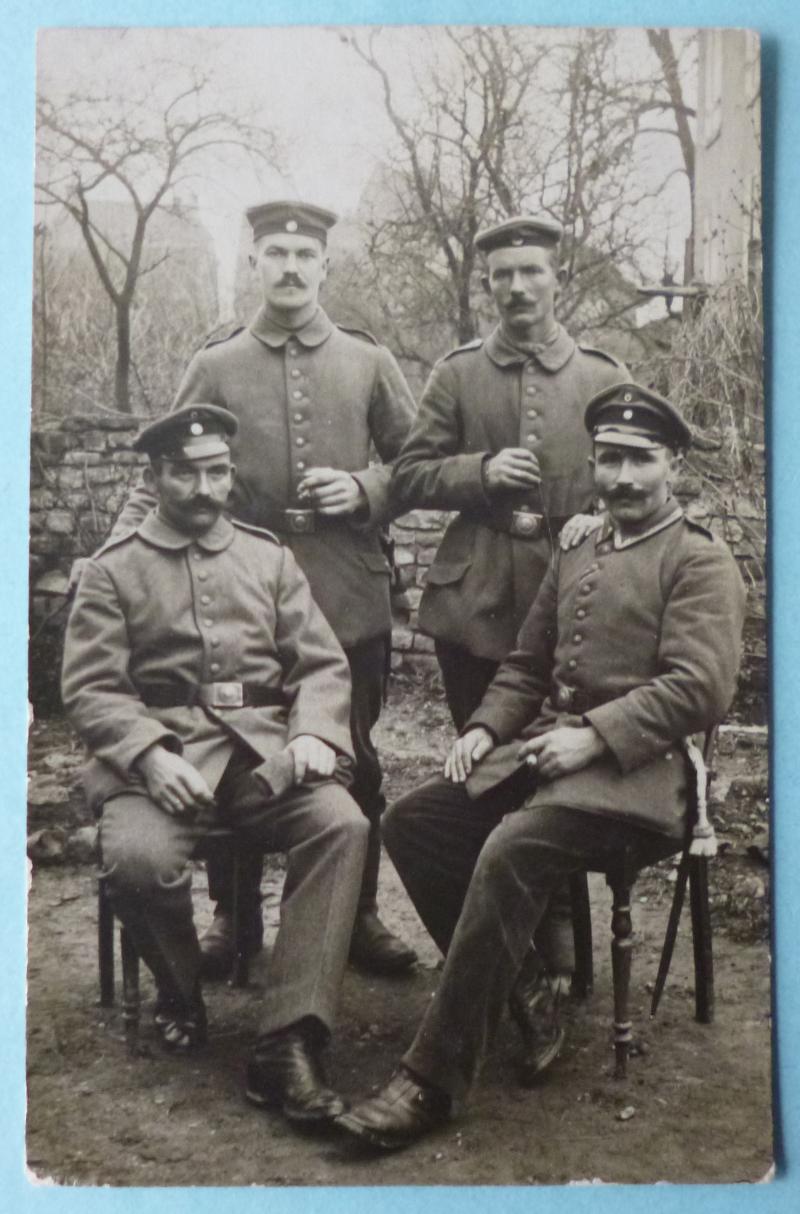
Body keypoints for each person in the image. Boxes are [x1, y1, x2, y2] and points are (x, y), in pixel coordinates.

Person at [337, 383, 746, 1150]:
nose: (621, 478)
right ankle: (525, 981)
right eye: (610, 460)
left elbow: (702, 687)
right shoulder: (582, 546)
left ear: (675, 465)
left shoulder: (700, 560)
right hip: (554, 756)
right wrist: (486, 730)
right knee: (414, 821)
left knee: (515, 845)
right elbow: (527, 664)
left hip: (646, 775)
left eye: (640, 461)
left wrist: (593, 737)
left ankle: (432, 1081)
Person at [109, 200, 418, 977]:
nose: (288, 266)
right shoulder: (216, 362)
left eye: (302, 254)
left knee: (354, 757)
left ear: (325, 266)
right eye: (274, 252)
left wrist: (365, 488)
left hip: (346, 592)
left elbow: (418, 466)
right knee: (231, 742)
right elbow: (165, 475)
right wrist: (112, 553)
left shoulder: (366, 359)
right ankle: (231, 918)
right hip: (233, 597)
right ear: (253, 263)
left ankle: (358, 915)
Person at [62, 404, 368, 1127]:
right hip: (159, 759)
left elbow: (321, 664)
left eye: (218, 472)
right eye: (188, 474)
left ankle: (290, 1034)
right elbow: (91, 687)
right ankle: (179, 992)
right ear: (157, 474)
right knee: (137, 857)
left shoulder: (269, 558)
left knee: (343, 826)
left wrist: (314, 733)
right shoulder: (115, 570)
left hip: (261, 756)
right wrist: (147, 753)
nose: (206, 489)